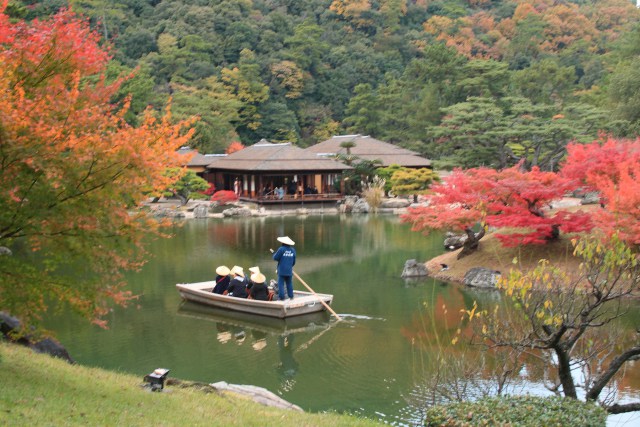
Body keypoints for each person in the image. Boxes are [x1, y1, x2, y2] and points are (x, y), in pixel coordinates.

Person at [272, 236, 296, 300]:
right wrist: (289, 266)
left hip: (282, 270)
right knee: (289, 283)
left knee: (281, 284)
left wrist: (274, 254)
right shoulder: (293, 250)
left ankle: (282, 297)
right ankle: (291, 296)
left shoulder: (281, 249)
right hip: (289, 270)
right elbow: (294, 262)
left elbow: (275, 258)